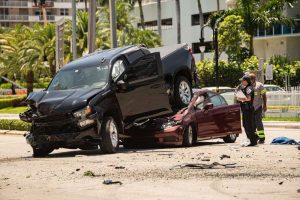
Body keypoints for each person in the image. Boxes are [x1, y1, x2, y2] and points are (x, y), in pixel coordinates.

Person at [236, 75, 257, 146]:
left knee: (249, 125)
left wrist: (241, 99)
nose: (241, 82)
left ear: (246, 81)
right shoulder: (245, 88)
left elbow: (249, 98)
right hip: (245, 109)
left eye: (243, 80)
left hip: (248, 109)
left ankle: (252, 141)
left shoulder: (249, 88)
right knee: (245, 125)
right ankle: (250, 139)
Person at [249, 73, 267, 144]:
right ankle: (254, 138)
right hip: (250, 108)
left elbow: (264, 96)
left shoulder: (259, 85)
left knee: (258, 122)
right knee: (251, 123)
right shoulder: (247, 86)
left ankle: (262, 138)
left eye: (251, 79)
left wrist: (265, 105)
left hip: (258, 107)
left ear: (254, 79)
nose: (250, 80)